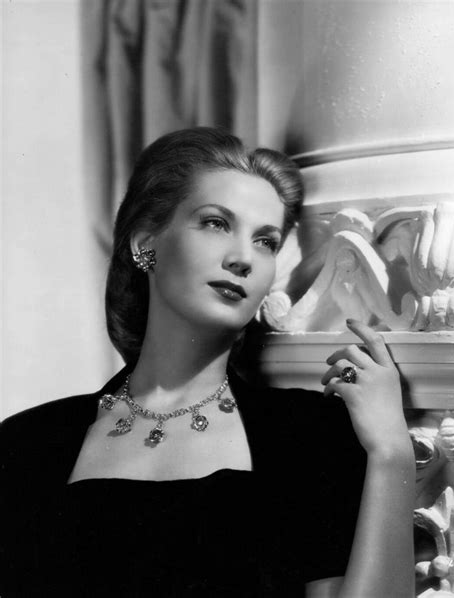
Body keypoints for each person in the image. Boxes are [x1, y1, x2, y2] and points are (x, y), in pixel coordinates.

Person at [0, 127, 415, 597]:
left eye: (266, 241)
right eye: (216, 223)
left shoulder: (309, 433)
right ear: (145, 243)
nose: (243, 258)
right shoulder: (27, 443)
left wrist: (391, 454)